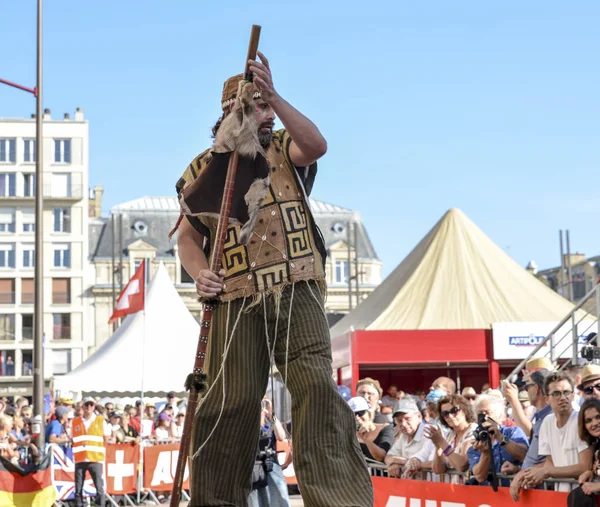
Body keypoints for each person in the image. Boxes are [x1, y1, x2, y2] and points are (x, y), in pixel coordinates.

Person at [175, 56, 373, 506]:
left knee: (315, 389)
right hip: (233, 295)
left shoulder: (284, 147)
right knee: (230, 401)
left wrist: (276, 96)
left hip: (296, 285)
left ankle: (339, 500)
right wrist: (200, 273)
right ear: (229, 114)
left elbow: (317, 144)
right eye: (254, 107)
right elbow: (187, 237)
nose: (263, 115)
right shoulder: (202, 169)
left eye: (266, 107)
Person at [516, 373, 591, 496]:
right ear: (547, 399)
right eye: (556, 393)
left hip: (584, 495)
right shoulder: (547, 421)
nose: (562, 397)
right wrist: (523, 474)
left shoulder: (581, 420)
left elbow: (584, 467)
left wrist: (547, 472)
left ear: (573, 395)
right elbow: (550, 462)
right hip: (559, 494)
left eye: (567, 392)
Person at [505, 369, 553, 495]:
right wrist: (519, 469)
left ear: (536, 388)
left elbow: (557, 459)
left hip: (547, 490)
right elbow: (538, 456)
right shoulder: (540, 416)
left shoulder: (552, 417)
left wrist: (522, 473)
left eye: (527, 386)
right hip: (536, 489)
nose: (526, 390)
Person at [467, 395, 529, 486]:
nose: (484, 417)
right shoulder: (476, 444)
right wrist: (485, 453)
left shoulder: (512, 432)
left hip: (518, 493)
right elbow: (479, 476)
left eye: (487, 413)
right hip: (490, 497)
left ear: (498, 414)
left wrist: (500, 437)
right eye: (480, 414)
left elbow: (524, 454)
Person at [249, 397, 290, 507]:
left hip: (272, 468)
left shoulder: (270, 426)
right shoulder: (248, 426)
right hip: (254, 471)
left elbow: (281, 437)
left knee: (278, 500)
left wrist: (271, 413)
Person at [426, 394, 476, 484]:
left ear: (464, 410)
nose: (450, 416)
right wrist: (438, 446)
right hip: (451, 492)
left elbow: (462, 465)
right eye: (445, 414)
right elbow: (438, 470)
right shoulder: (450, 434)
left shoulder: (473, 430)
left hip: (469, 490)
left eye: (454, 410)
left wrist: (442, 442)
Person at [72, 396, 111, 507]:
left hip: (95, 458)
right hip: (80, 458)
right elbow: (72, 438)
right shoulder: (75, 422)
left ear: (94, 406)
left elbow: (106, 438)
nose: (89, 407)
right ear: (83, 406)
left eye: (91, 405)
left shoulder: (100, 420)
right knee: (78, 488)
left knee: (99, 487)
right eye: (86, 405)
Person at [384, 399, 434, 479]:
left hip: (430, 486)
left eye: (407, 419)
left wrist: (399, 461)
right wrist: (398, 463)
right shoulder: (403, 436)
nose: (403, 424)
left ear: (419, 416)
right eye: (399, 420)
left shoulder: (429, 432)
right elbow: (388, 458)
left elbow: (433, 462)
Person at [349, 396, 394, 463]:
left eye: (361, 413)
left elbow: (381, 457)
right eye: (353, 414)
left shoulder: (385, 428)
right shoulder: (347, 434)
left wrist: (367, 441)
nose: (357, 418)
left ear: (369, 413)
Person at [576, 399, 600, 496]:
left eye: (598, 417)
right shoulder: (596, 445)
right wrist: (591, 473)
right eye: (588, 420)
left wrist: (598, 486)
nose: (594, 423)